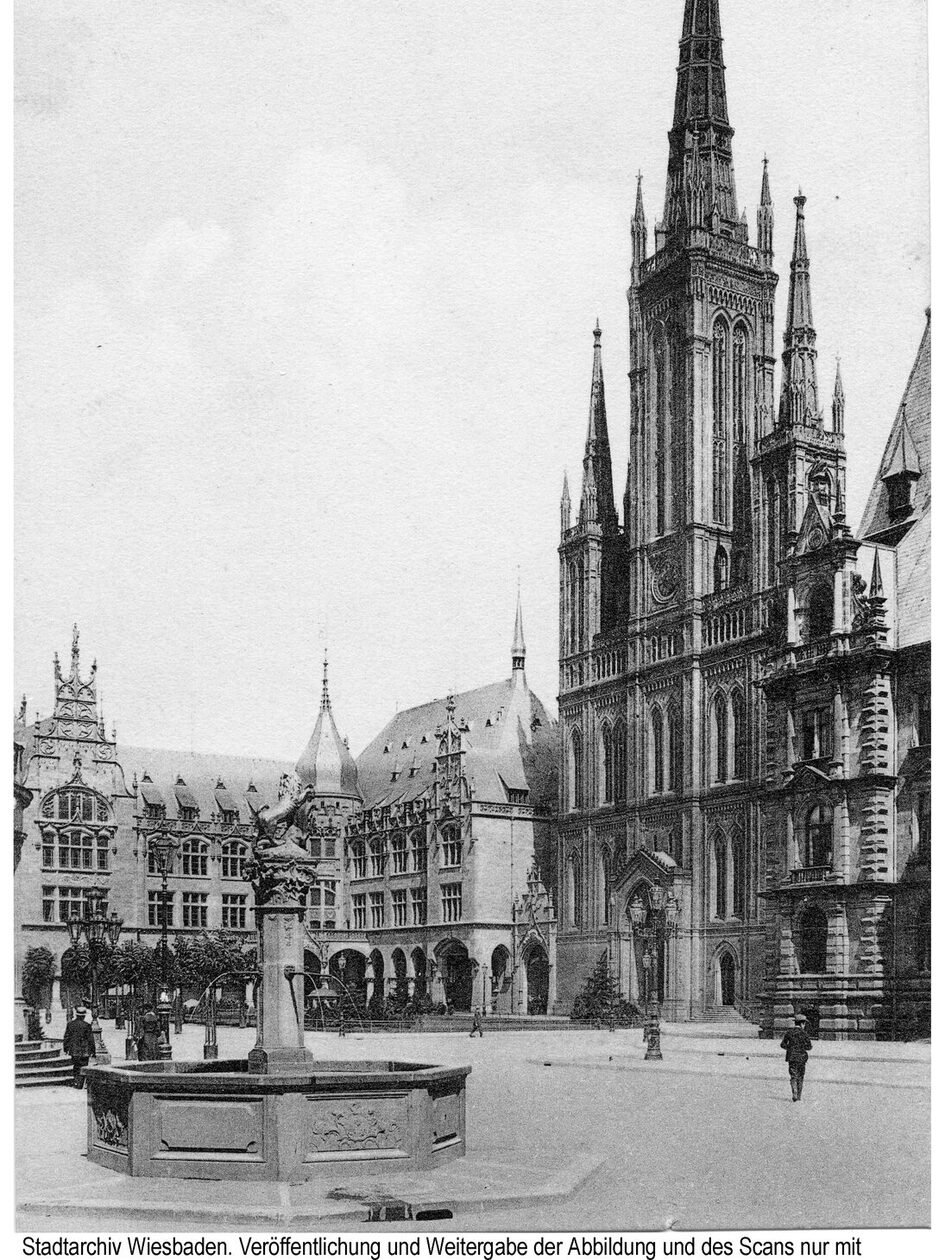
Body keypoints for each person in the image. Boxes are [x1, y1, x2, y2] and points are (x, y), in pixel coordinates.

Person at [62, 1007, 97, 1090]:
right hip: (84, 1051)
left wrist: (66, 1048)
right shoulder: (87, 1025)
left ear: (76, 1015)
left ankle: (76, 1082)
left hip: (74, 1050)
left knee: (76, 1066)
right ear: (84, 1016)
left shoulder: (70, 1024)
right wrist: (93, 1051)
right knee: (84, 1066)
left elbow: (66, 1037)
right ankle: (82, 1083)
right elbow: (90, 1039)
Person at [780, 1014, 814, 1101]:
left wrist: (790, 1048)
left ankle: (794, 1091)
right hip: (801, 1058)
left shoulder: (789, 1032)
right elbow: (809, 1047)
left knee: (793, 1075)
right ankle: (798, 1096)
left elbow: (782, 1044)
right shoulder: (804, 1034)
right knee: (800, 1076)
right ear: (802, 1023)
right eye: (804, 1024)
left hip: (791, 1057)